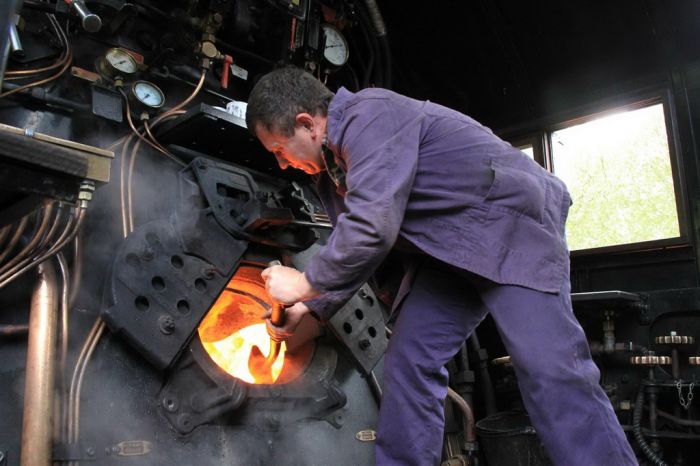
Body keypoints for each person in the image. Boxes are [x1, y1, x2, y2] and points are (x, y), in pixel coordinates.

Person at [245, 66, 638, 466]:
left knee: (549, 372)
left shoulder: (370, 114)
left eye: (278, 150)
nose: (281, 164)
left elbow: (370, 229)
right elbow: (362, 251)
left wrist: (303, 283)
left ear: (307, 124)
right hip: (451, 254)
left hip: (511, 227)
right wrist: (311, 310)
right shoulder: (330, 177)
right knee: (409, 360)